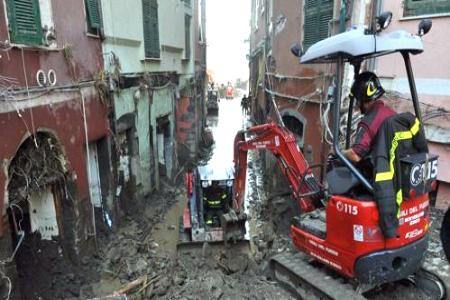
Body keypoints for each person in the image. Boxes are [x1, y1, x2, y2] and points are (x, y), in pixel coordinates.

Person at [342, 71, 396, 163]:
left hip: (377, 173)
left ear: (362, 99)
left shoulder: (368, 122)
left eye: (357, 100)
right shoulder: (390, 112)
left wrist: (339, 152)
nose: (357, 104)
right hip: (393, 167)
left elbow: (355, 155)